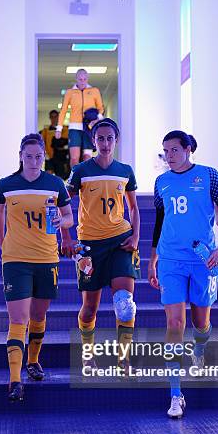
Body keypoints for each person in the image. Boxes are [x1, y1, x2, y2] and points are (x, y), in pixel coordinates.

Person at [148, 130, 218, 418]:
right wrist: (153, 260)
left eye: (174, 150)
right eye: (165, 152)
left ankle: (200, 348)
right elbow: (160, 223)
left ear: (187, 149)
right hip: (171, 260)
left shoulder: (209, 176)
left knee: (201, 322)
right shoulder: (161, 182)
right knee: (175, 323)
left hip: (203, 259)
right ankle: (175, 394)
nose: (169, 157)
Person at [0, 133, 73, 402]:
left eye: (38, 156)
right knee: (18, 319)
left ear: (44, 156)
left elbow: (70, 217)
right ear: (20, 156)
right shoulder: (7, 184)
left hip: (47, 258)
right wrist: (0, 237)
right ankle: (14, 379)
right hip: (15, 259)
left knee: (38, 315)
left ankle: (33, 361)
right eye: (29, 156)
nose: (34, 161)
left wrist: (60, 222)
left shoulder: (55, 184)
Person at [60, 118, 140, 372]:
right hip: (90, 246)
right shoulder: (82, 170)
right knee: (89, 309)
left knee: (125, 305)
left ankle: (124, 358)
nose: (105, 143)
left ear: (116, 140)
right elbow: (63, 202)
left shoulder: (125, 170)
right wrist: (67, 237)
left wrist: (136, 237)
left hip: (120, 241)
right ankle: (87, 353)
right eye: (100, 138)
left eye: (110, 138)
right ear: (93, 141)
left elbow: (134, 208)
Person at [55, 68, 104, 168]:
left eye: (84, 79)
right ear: (76, 79)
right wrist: (59, 129)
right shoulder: (70, 92)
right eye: (80, 79)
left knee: (87, 157)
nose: (82, 82)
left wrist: (97, 120)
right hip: (74, 127)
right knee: (74, 158)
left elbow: (101, 108)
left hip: (89, 127)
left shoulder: (94, 91)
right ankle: (74, 181)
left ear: (87, 79)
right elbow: (63, 110)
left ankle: (86, 181)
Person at [40, 110, 70, 179]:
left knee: (61, 178)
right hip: (49, 157)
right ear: (50, 118)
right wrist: (44, 153)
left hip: (61, 157)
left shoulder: (65, 129)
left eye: (55, 117)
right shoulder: (45, 130)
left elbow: (68, 142)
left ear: (58, 117)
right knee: (48, 177)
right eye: (52, 117)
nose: (54, 119)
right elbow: (41, 142)